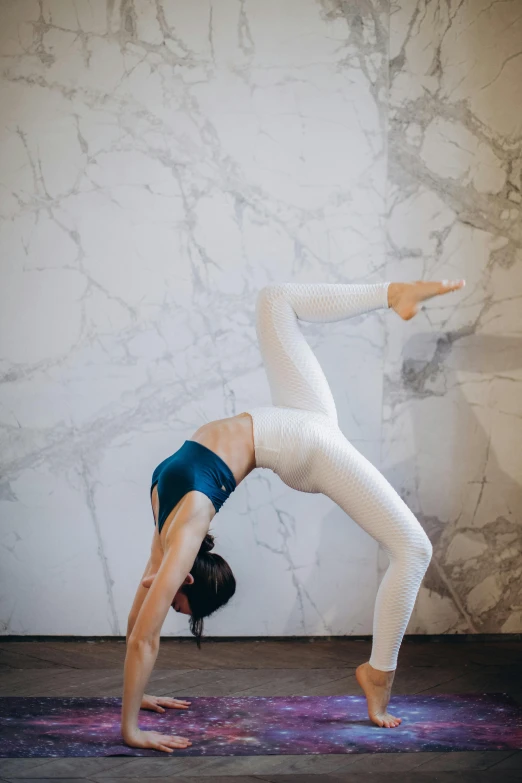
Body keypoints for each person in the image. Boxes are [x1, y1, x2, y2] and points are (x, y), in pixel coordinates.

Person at [121, 278, 465, 752]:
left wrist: (130, 729)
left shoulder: (180, 539)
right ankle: (381, 674)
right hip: (292, 434)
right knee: (412, 548)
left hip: (306, 440)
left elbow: (143, 635)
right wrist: (138, 698)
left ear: (189, 580)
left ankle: (376, 673)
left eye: (177, 604)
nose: (166, 600)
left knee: (273, 297)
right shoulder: (169, 522)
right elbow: (141, 622)